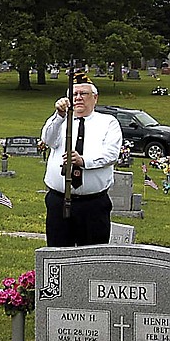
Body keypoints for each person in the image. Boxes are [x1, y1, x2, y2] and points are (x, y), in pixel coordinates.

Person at [41, 71, 122, 247]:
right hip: (59, 201)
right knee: (57, 254)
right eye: (74, 94)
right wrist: (59, 115)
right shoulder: (60, 121)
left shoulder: (108, 123)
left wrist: (84, 161)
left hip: (93, 204)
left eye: (83, 94)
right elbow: (47, 139)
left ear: (95, 98)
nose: (78, 98)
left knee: (92, 257)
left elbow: (111, 154)